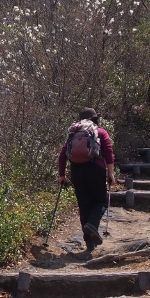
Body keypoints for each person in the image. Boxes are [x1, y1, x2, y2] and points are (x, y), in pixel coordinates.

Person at [57, 107, 116, 253]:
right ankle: (92, 224)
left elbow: (62, 155)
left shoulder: (73, 133)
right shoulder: (100, 131)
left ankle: (89, 242)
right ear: (95, 119)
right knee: (101, 201)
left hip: (76, 171)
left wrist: (62, 175)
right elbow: (108, 152)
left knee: (84, 205)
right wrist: (110, 173)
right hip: (95, 169)